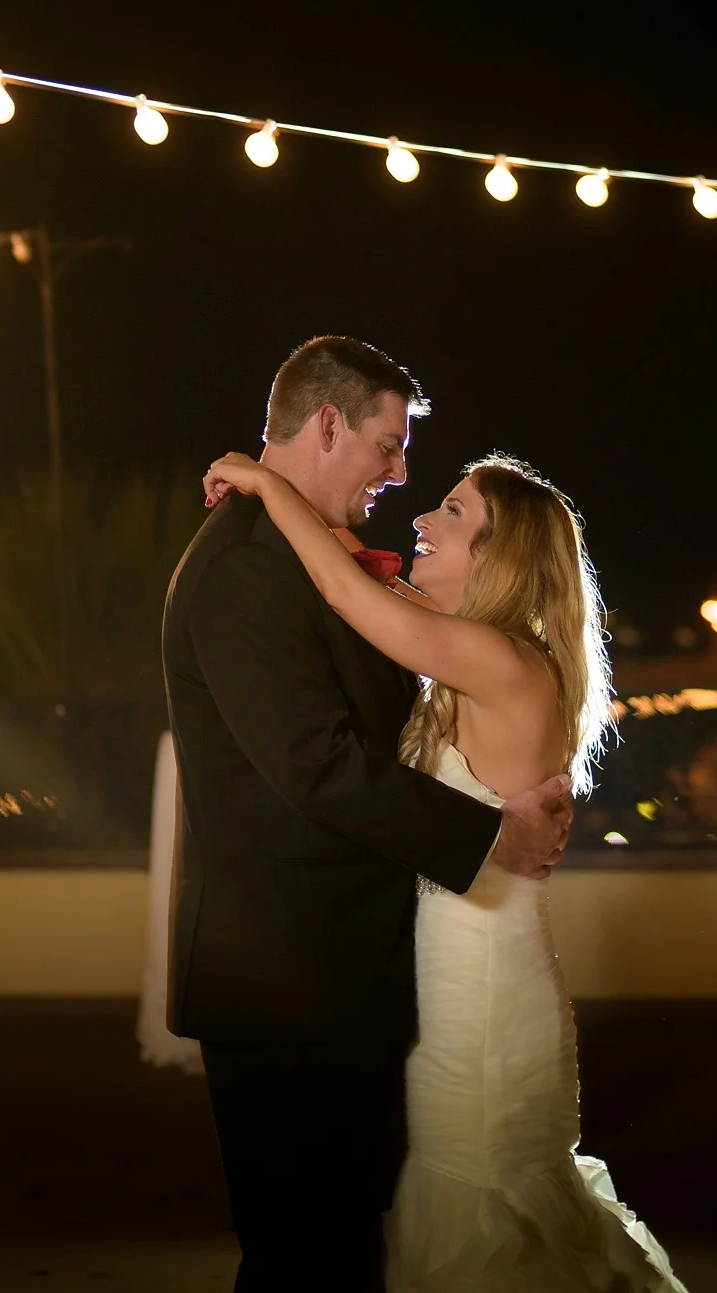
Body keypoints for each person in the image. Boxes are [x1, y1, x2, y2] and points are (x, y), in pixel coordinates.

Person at [202, 446, 686, 1292]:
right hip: (455, 973)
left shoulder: (502, 662)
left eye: (452, 513)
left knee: (484, 1212)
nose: (421, 519)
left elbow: (347, 592)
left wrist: (268, 483)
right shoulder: (472, 655)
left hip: (485, 990)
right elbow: (371, 581)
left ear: (501, 559)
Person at [161, 337, 576, 1292]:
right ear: (329, 423)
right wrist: (492, 834)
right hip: (290, 977)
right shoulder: (249, 566)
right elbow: (316, 768)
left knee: (349, 1249)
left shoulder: (307, 556)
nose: (402, 473)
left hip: (349, 973)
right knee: (309, 1257)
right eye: (389, 445)